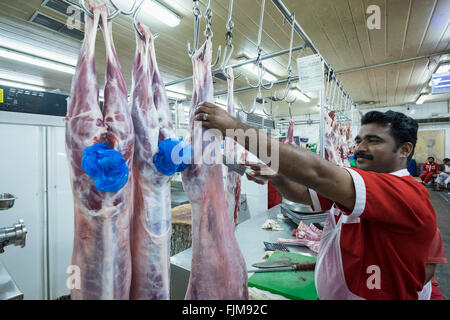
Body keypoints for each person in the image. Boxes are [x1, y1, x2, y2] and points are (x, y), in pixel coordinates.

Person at [194, 104, 437, 300]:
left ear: (404, 149)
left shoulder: (405, 192)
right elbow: (302, 194)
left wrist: (235, 129)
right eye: (359, 140)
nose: (360, 148)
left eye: (373, 141)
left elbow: (316, 172)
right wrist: (276, 176)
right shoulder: (363, 188)